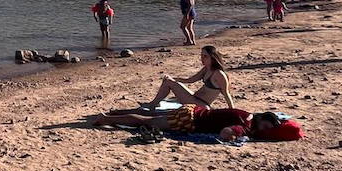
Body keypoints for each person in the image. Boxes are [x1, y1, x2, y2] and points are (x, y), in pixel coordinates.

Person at [88, 105, 302, 141]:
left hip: (194, 111)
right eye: (266, 127)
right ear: (262, 119)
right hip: (188, 120)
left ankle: (112, 114)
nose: (264, 131)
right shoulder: (245, 124)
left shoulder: (246, 114)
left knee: (147, 114)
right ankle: (105, 119)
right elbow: (227, 133)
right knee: (146, 122)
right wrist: (244, 135)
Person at [141, 44, 234, 109]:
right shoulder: (206, 69)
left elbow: (226, 94)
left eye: (205, 56)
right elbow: (190, 80)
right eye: (201, 56)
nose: (202, 59)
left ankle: (153, 104)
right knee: (169, 81)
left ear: (213, 58)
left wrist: (233, 111)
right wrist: (174, 79)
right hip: (194, 98)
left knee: (168, 83)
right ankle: (155, 103)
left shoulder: (219, 74)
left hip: (200, 103)